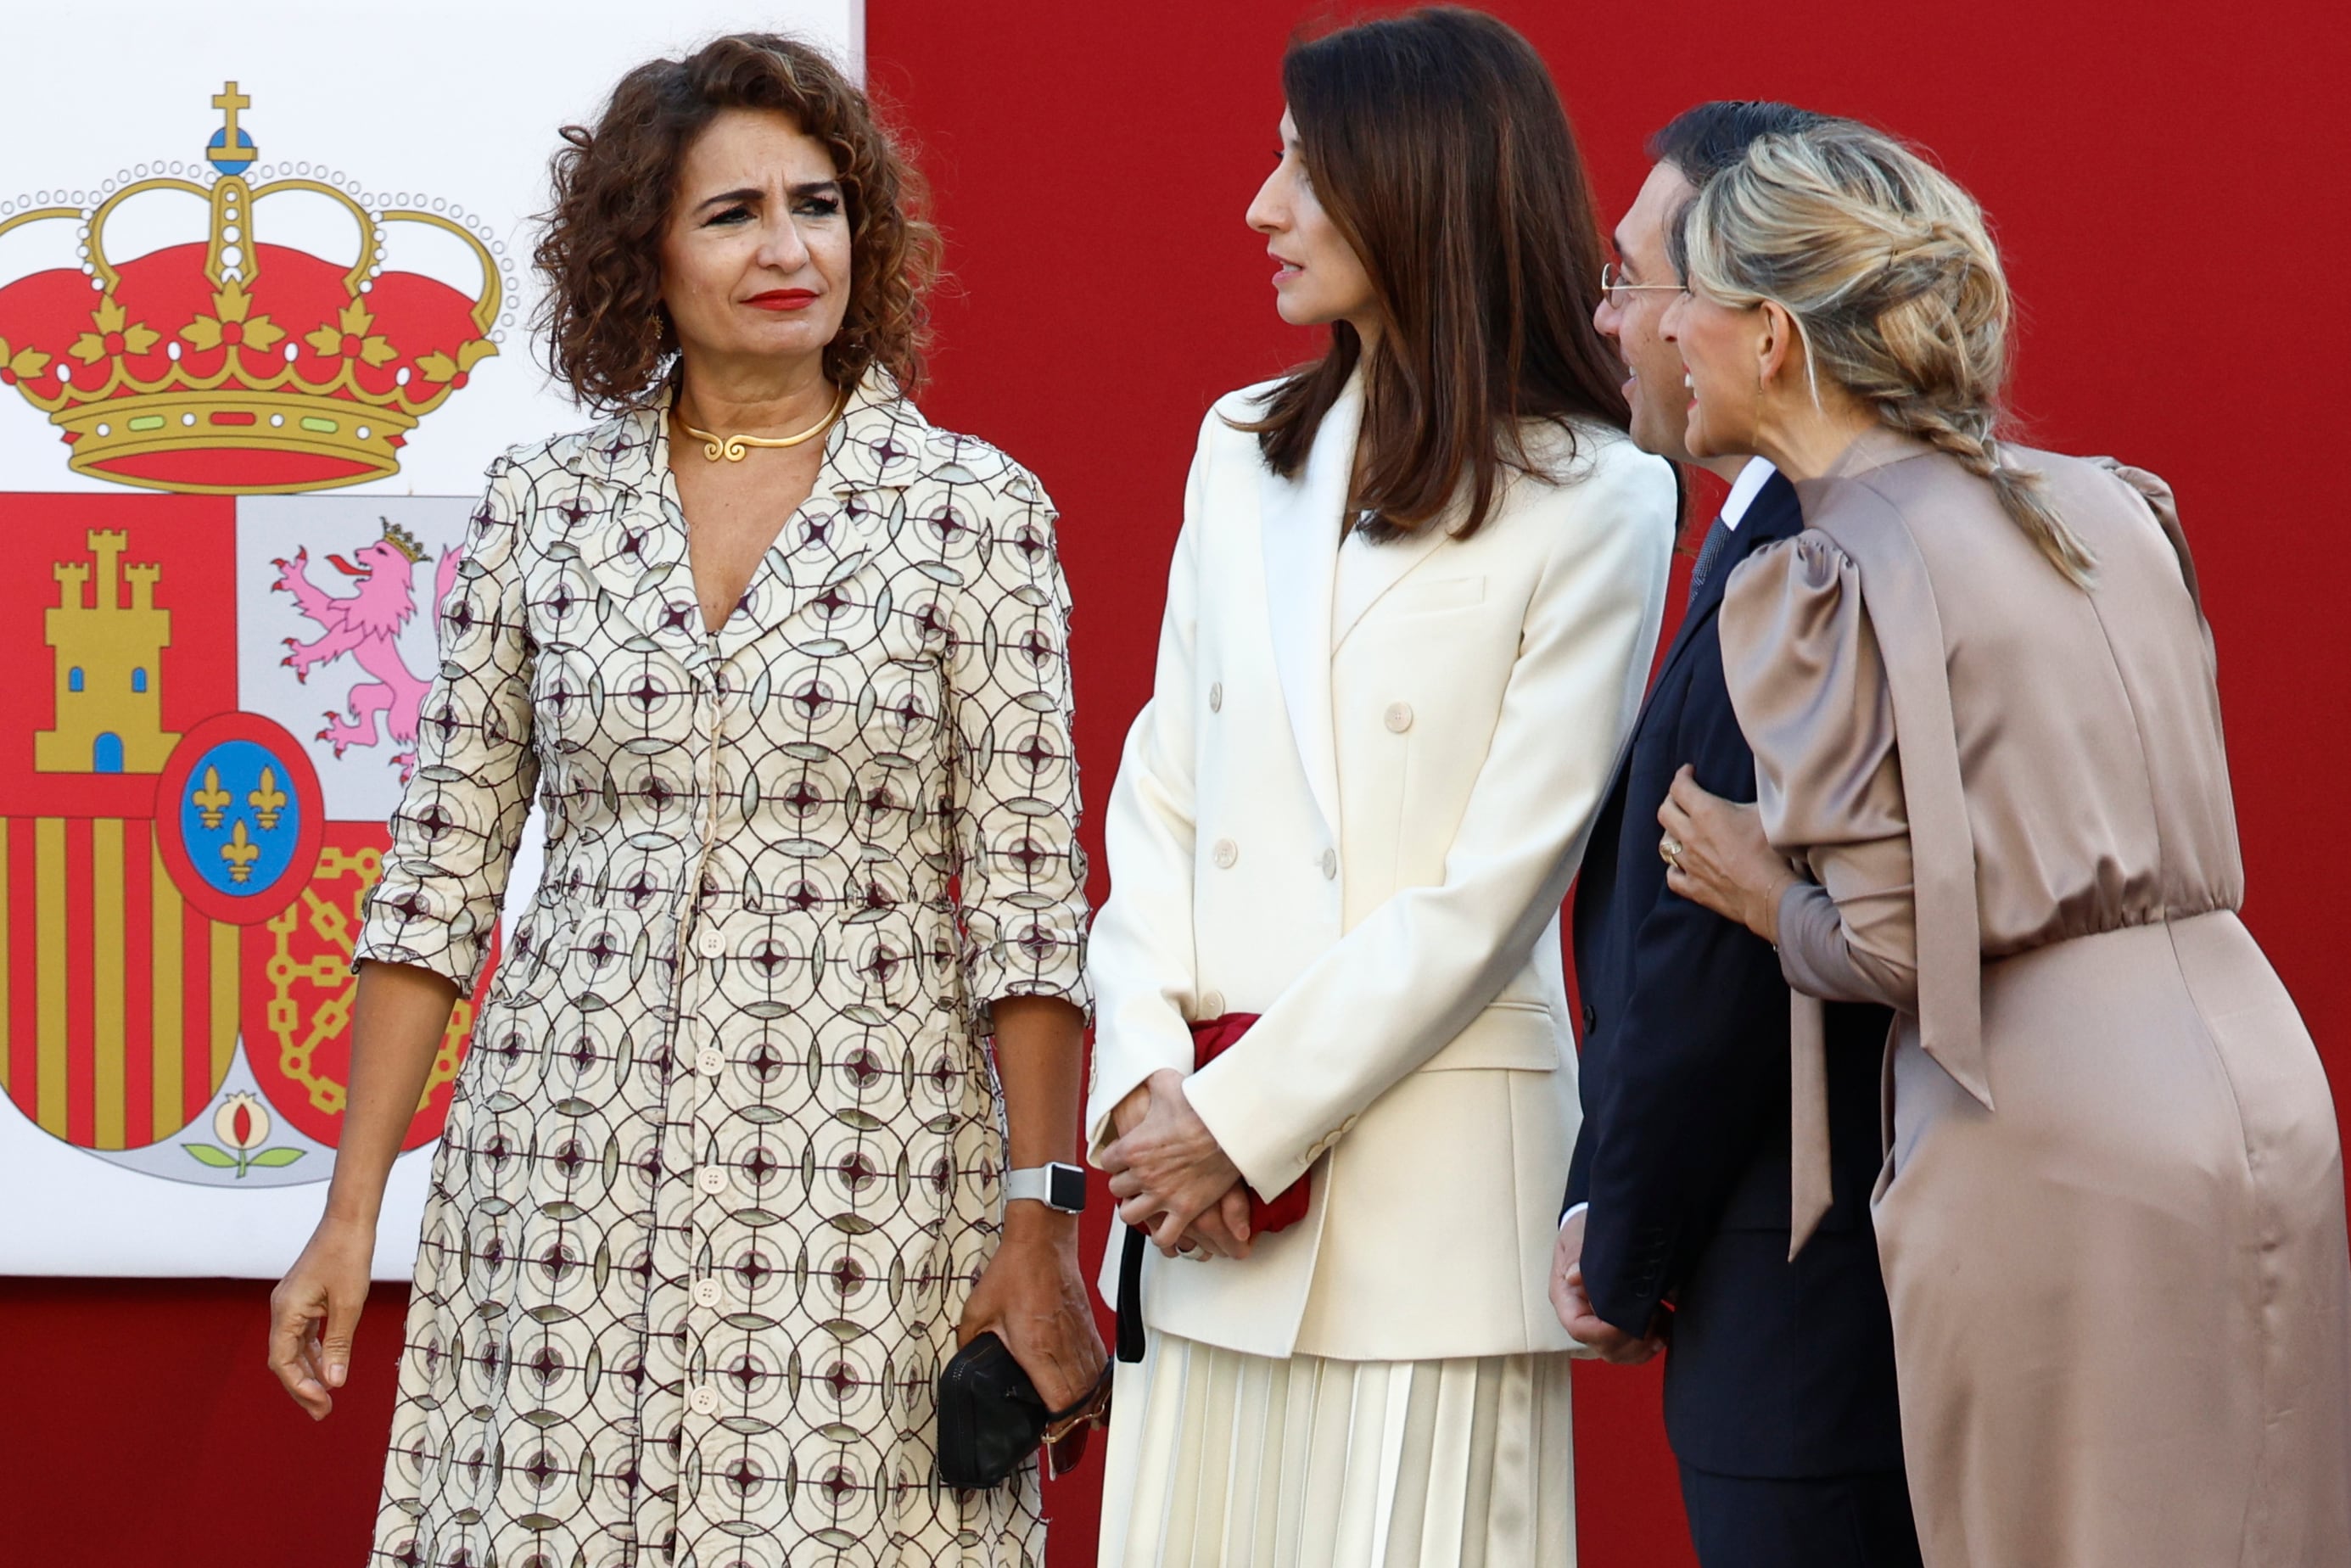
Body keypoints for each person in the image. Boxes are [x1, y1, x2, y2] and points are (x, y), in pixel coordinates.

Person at [265, 35, 1105, 1567]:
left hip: (864, 1187)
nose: (790, 249)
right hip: (556, 1171)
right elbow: (439, 880)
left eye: (820, 204)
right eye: (732, 215)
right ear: (640, 248)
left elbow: (1036, 916)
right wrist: (348, 1208)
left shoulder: (975, 513)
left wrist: (1039, 1216)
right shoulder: (545, 505)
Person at [1654, 119, 2351, 1565]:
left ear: (1772, 336)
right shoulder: (2108, 503)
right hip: (2261, 1088)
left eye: (1688, 299)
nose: (1663, 331)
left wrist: (1756, 890)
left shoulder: (1815, 576)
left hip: (2047, 1130)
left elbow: (1897, 940)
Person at [1083, 11, 1675, 1565]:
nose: (1261, 208)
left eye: (1301, 164)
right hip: (1196, 1224)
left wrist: (1239, 1118)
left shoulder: (1601, 496)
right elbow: (1159, 793)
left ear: (1414, 186)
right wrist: (1148, 1089)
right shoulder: (1239, 449)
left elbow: (1494, 891)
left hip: (1420, 1224)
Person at [1552, 101, 1920, 1568]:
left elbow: (1704, 974)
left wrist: (1621, 1249)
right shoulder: (1808, 533)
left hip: (1801, 1311)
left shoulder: (1808, 565)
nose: (1615, 323)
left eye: (1638, 281)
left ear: (1761, 321)